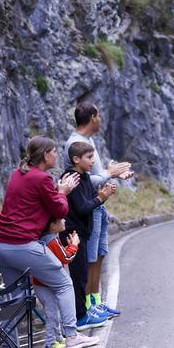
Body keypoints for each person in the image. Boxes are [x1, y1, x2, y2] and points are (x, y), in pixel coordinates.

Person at [0, 136, 99, 348]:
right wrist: (62, 192)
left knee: (15, 297)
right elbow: (60, 211)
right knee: (63, 284)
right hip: (23, 244)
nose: (57, 154)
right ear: (45, 155)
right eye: (53, 151)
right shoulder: (41, 178)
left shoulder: (18, 173)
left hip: (0, 244)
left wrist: (57, 193)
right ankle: (71, 335)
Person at [65, 103, 130, 321]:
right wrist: (108, 174)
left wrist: (113, 174)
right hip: (89, 206)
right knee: (89, 258)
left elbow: (96, 173)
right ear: (93, 117)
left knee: (100, 253)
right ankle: (87, 306)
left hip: (99, 205)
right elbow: (81, 180)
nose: (100, 119)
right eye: (99, 115)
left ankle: (95, 300)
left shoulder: (88, 141)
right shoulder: (75, 144)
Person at [65, 140, 118, 329]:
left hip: (83, 233)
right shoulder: (73, 178)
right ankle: (79, 318)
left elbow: (89, 199)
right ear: (76, 159)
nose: (93, 161)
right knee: (78, 276)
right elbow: (81, 207)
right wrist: (101, 198)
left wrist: (101, 194)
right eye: (89, 157)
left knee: (82, 275)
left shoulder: (85, 177)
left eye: (93, 156)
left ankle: (85, 312)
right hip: (74, 235)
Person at [35, 217, 79, 348]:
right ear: (52, 226)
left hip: (42, 283)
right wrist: (74, 245)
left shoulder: (50, 237)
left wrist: (68, 247)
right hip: (44, 284)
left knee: (54, 312)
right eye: (60, 219)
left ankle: (58, 339)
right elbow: (65, 258)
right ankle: (50, 343)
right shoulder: (51, 240)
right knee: (52, 313)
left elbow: (58, 256)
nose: (65, 220)